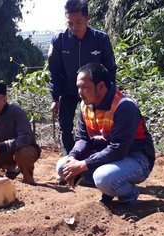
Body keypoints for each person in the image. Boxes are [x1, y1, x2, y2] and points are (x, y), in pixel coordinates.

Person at [56, 63, 155, 206]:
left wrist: (83, 164)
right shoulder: (85, 105)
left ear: (101, 86)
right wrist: (73, 157)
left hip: (136, 158)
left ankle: (129, 194)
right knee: (62, 167)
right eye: (78, 87)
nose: (80, 92)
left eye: (84, 87)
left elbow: (118, 149)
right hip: (106, 155)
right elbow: (83, 138)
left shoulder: (124, 106)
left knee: (103, 178)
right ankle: (108, 187)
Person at [48, 0, 116, 154]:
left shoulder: (101, 39)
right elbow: (54, 70)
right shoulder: (59, 40)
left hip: (95, 92)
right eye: (70, 23)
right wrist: (55, 97)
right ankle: (70, 159)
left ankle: (94, 158)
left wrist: (109, 94)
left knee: (97, 127)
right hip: (68, 91)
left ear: (87, 18)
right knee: (65, 126)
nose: (74, 27)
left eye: (78, 22)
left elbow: (110, 69)